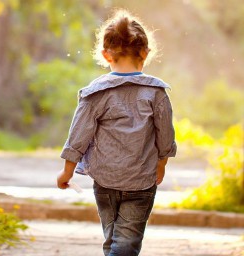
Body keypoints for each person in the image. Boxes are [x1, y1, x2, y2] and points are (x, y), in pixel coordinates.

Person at [56, 9, 177, 256]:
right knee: (126, 243)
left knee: (113, 239)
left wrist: (67, 170)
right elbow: (165, 134)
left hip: (105, 180)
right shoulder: (156, 93)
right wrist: (162, 162)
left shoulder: (95, 93)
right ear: (144, 52)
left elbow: (79, 134)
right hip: (142, 180)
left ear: (105, 54)